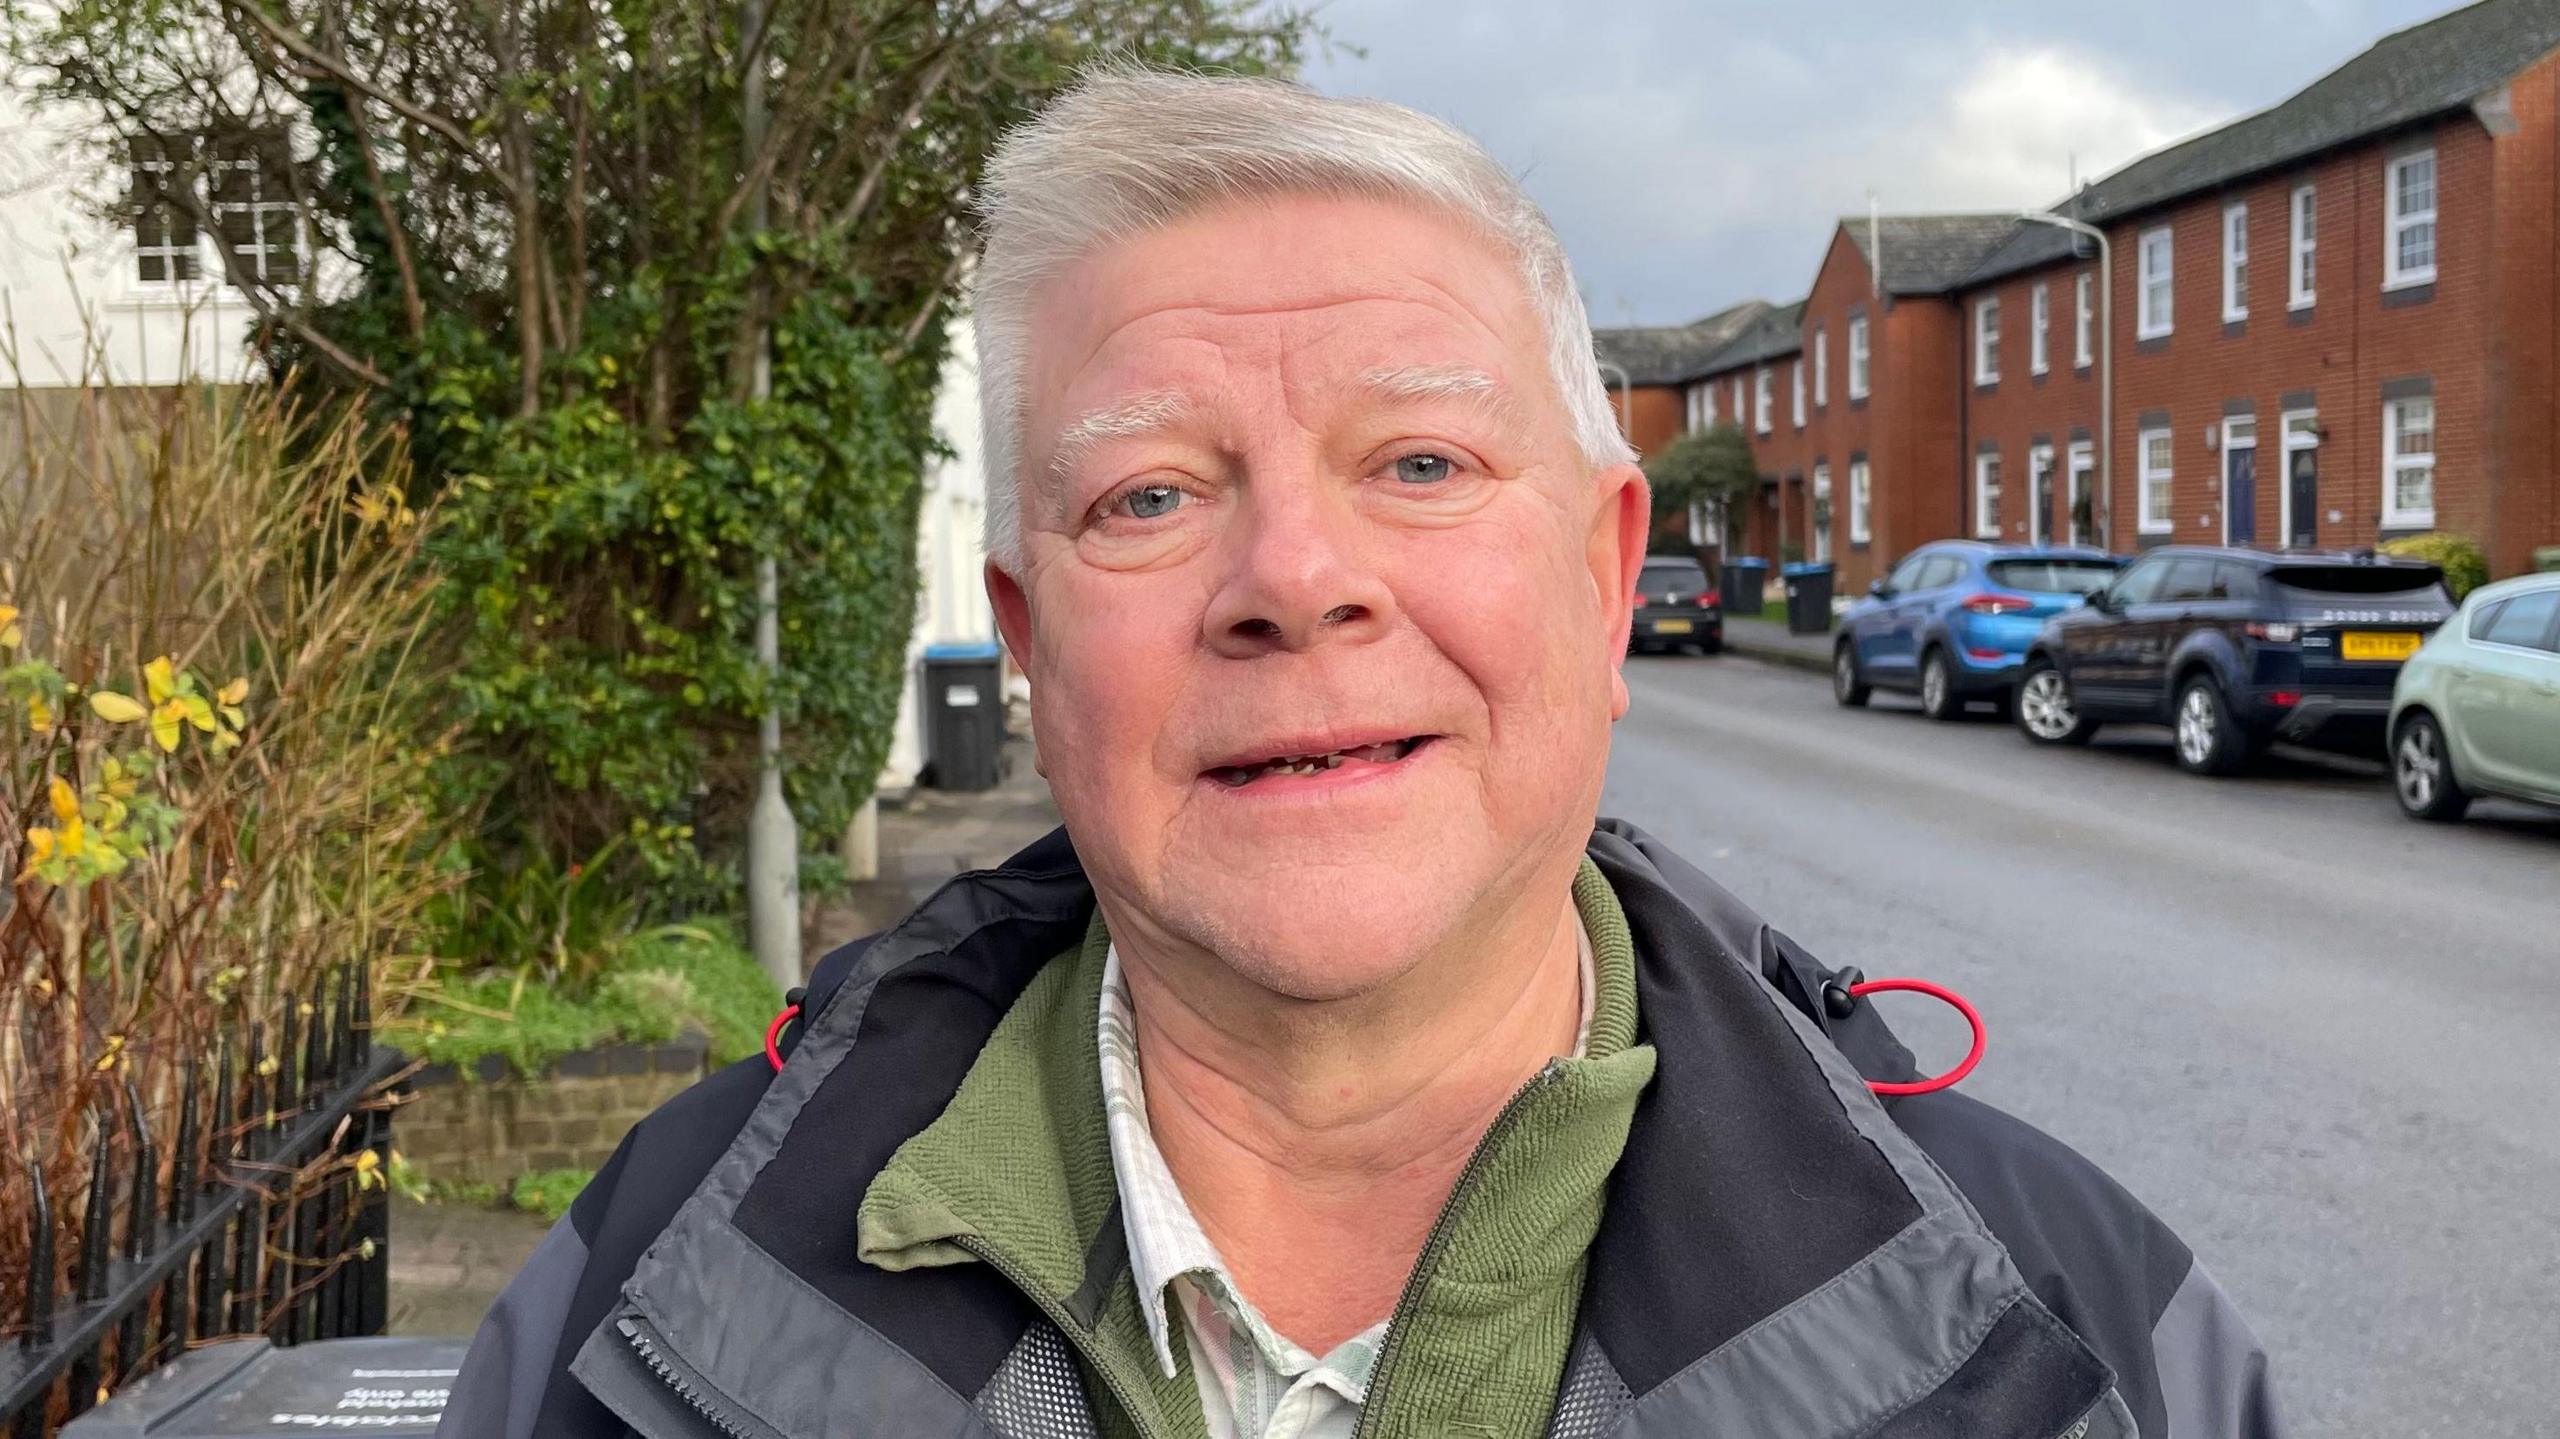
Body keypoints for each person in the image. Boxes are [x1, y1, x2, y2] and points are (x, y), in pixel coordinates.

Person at [439, 68, 2282, 1439]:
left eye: (1419, 464)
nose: (1296, 583)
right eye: (1152, 495)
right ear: (1029, 639)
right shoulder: (651, 1297)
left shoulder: (2076, 1343)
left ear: (1605, 570)